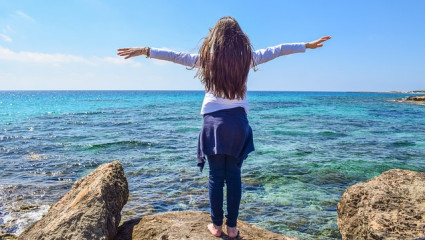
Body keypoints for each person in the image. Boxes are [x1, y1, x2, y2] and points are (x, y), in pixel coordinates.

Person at [117, 16, 330, 238]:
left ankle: (216, 227)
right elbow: (278, 50)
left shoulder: (207, 60)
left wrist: (146, 50)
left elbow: (175, 56)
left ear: (215, 38)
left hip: (213, 124)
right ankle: (233, 228)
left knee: (216, 177)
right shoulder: (247, 58)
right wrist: (306, 45)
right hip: (238, 123)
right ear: (239, 39)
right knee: (234, 175)